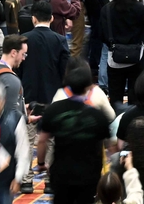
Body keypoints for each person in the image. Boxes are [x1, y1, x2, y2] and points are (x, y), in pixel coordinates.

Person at [37, 65, 113, 204]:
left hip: (61, 174)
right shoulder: (97, 116)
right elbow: (111, 147)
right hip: (89, 176)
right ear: (89, 87)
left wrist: (41, 163)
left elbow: (42, 140)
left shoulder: (54, 110)